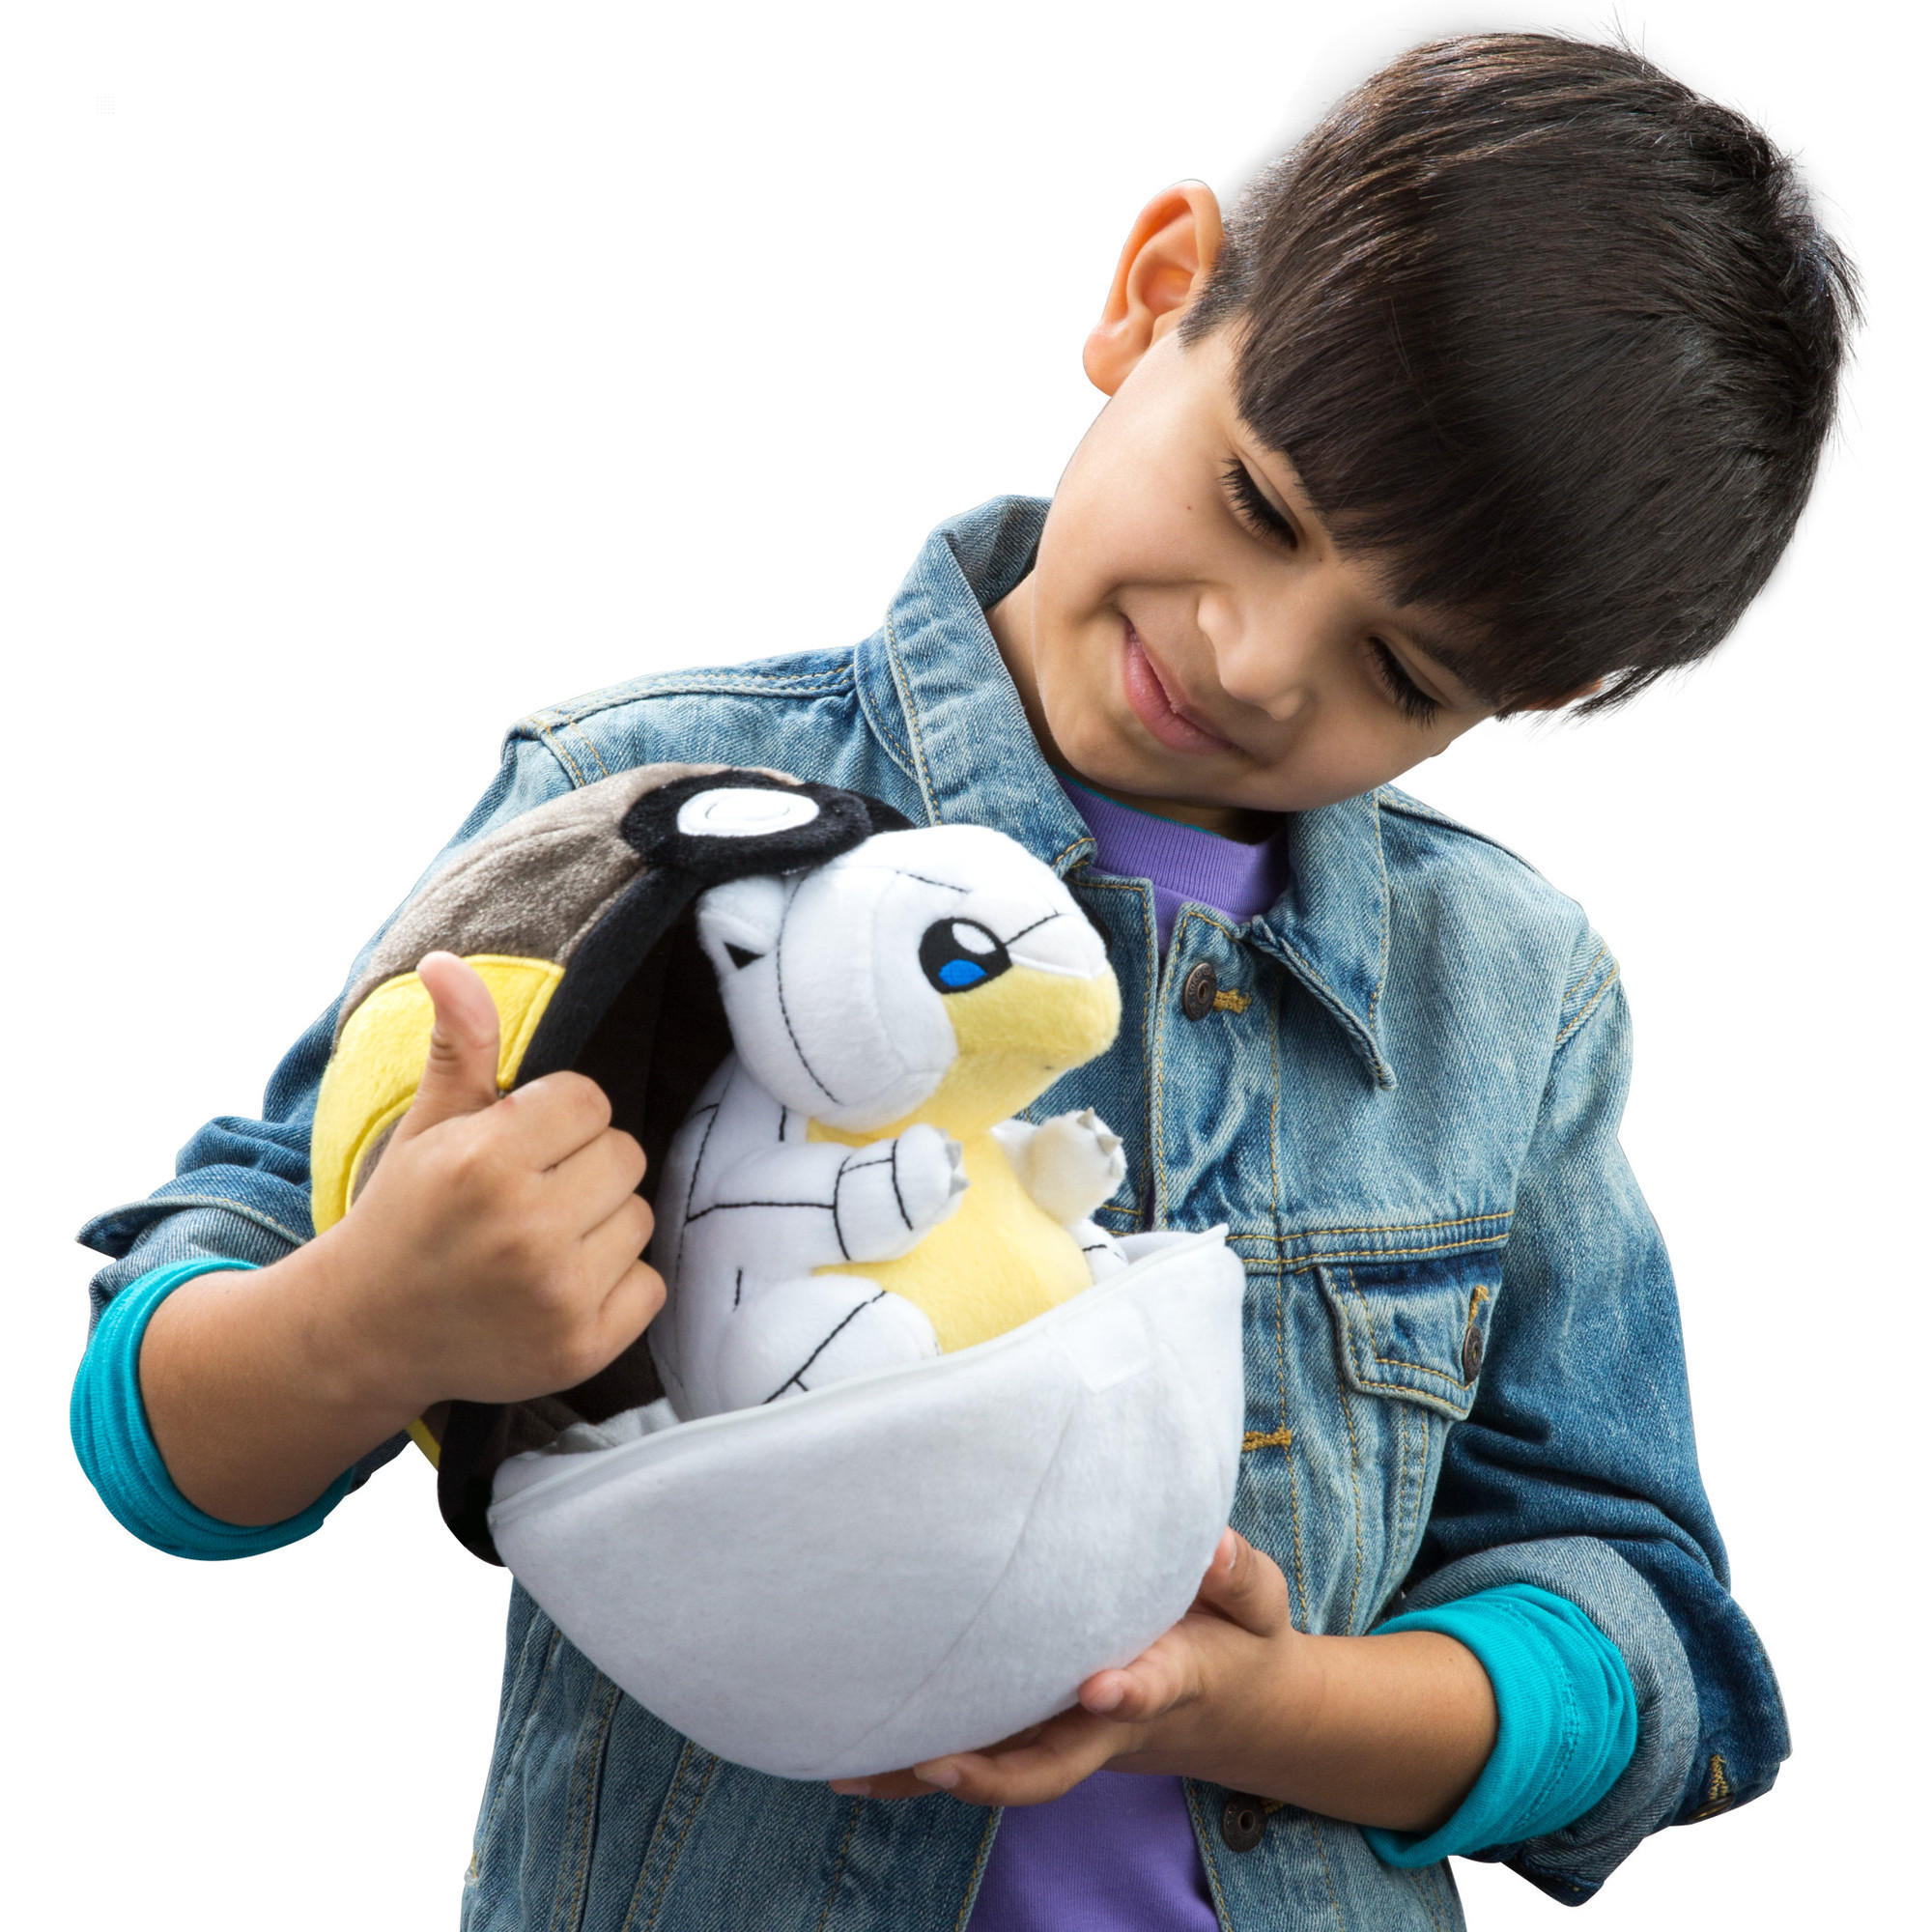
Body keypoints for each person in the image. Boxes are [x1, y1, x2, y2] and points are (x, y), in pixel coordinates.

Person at [69, 32, 1856, 1931]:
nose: (1255, 660)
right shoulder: (640, 813)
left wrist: (1264, 1708)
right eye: (1260, 504)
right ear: (1156, 290)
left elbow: (1650, 1656)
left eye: (1401, 672)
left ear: (1532, 697)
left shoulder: (1508, 994)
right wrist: (368, 1322)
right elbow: (158, 1436)